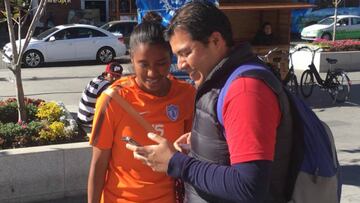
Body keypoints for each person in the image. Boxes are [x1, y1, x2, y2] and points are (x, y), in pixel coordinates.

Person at [126, 2, 293, 203]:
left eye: (186, 53)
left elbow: (249, 186)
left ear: (216, 40)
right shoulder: (224, 79)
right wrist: (205, 140)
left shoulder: (245, 91)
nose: (180, 65)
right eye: (177, 56)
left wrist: (175, 162)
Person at [87, 13, 195, 203]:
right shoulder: (113, 99)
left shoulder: (186, 95)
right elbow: (98, 165)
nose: (153, 73)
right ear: (131, 59)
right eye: (143, 65)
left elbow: (191, 152)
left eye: (161, 63)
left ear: (170, 57)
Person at [77, 62, 123, 129]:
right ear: (106, 73)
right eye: (112, 75)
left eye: (117, 76)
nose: (114, 79)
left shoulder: (97, 79)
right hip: (89, 121)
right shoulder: (106, 86)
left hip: (83, 117)